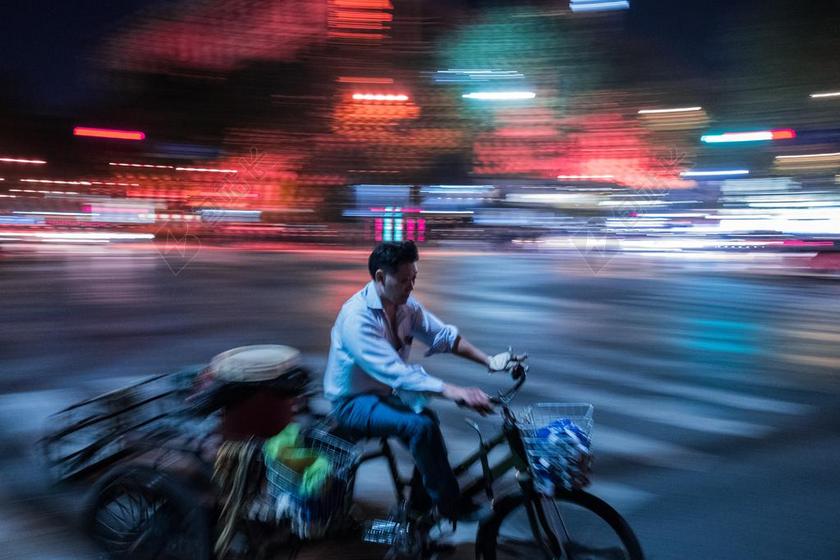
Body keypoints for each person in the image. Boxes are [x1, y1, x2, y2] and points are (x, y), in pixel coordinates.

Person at [323, 240, 516, 519]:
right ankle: (450, 506)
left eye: (414, 279)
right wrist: (454, 391)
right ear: (380, 277)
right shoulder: (357, 317)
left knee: (428, 423)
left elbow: (443, 336)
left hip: (384, 394)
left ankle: (418, 508)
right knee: (421, 427)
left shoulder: (405, 307)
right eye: (404, 280)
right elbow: (394, 371)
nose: (411, 286)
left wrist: (490, 361)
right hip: (352, 402)